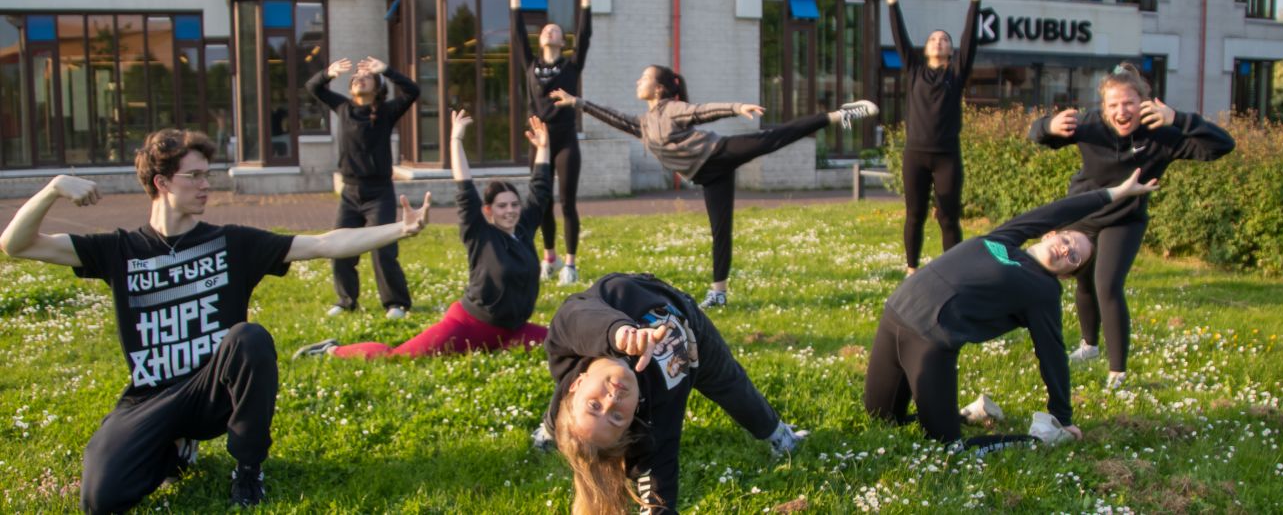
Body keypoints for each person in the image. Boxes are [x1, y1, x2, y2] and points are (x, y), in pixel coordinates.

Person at [0, 129, 432, 512]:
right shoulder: (118, 249)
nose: (207, 186)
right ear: (162, 182)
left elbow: (323, 243)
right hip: (150, 398)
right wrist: (55, 187)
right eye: (195, 177)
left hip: (214, 391)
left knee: (249, 338)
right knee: (101, 498)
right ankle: (175, 451)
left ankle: (247, 470)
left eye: (208, 175)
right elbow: (15, 245)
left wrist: (399, 230)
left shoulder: (231, 243)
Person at [863, 170, 1159, 449]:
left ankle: (1039, 440)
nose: (1066, 249)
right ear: (1050, 234)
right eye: (1067, 240)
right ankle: (973, 413)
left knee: (947, 448)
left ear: (1068, 275)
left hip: (929, 341)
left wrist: (1062, 419)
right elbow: (1055, 211)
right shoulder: (1005, 239)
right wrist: (1116, 192)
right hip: (895, 316)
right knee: (882, 417)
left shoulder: (1043, 291)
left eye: (1074, 257)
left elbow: (1052, 354)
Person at [550, 69, 876, 308]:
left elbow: (701, 111)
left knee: (770, 139)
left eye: (643, 77)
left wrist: (736, 108)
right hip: (708, 174)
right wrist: (577, 102)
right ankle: (719, 292)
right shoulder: (644, 123)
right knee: (720, 231)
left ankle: (837, 115)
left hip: (717, 153)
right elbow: (614, 118)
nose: (637, 81)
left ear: (659, 88)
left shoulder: (671, 109)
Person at [1029, 62, 1235, 388]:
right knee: (1083, 280)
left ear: (1144, 102)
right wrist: (1048, 125)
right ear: (1104, 107)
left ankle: (1117, 372)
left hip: (1125, 219)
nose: (1121, 111)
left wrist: (1179, 119)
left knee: (1107, 284)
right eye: (1113, 105)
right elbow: (1036, 134)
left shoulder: (1163, 135)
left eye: (1129, 103)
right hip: (1084, 212)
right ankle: (1089, 346)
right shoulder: (1090, 124)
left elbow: (1222, 146)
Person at [537, 273, 806, 514]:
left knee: (567, 417)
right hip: (694, 341)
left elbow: (575, 313)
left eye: (594, 405)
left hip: (649, 295)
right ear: (632, 419)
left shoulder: (567, 356)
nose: (611, 400)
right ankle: (778, 434)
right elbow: (658, 496)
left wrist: (619, 334)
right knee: (731, 385)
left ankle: (548, 431)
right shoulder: (652, 420)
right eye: (617, 417)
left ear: (578, 384)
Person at [294, 111, 552, 359]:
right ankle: (332, 350)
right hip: (470, 325)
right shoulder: (480, 233)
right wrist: (456, 139)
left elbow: (540, 190)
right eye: (502, 206)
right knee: (397, 357)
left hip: (513, 332)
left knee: (562, 343)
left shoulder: (523, 230)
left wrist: (543, 147)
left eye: (514, 205)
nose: (510, 211)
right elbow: (464, 185)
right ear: (488, 210)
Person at [878, 0, 991, 276]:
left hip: (946, 156)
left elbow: (971, 41)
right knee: (914, 214)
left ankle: (953, 271)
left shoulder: (956, 74)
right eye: (933, 39)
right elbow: (900, 37)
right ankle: (912, 268)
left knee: (948, 217)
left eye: (944, 40)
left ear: (951, 50)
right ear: (926, 49)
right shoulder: (914, 69)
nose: (938, 41)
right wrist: (891, 1)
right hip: (915, 154)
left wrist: (975, 0)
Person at [502, 0, 601, 285]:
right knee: (541, 200)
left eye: (556, 29)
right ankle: (550, 259)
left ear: (561, 40)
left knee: (567, 202)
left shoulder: (571, 66)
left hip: (565, 140)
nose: (550, 30)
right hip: (539, 141)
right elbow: (517, 34)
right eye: (546, 29)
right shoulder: (530, 65)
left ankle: (570, 264)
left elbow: (585, 35)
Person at [307, 55, 421, 320]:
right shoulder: (343, 108)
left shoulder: (386, 112)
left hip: (379, 192)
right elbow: (313, 88)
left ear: (377, 86)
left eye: (366, 77)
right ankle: (346, 301)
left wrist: (387, 69)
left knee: (383, 249)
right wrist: (328, 73)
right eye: (355, 78)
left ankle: (396, 303)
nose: (359, 79)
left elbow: (413, 91)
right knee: (340, 247)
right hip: (350, 192)